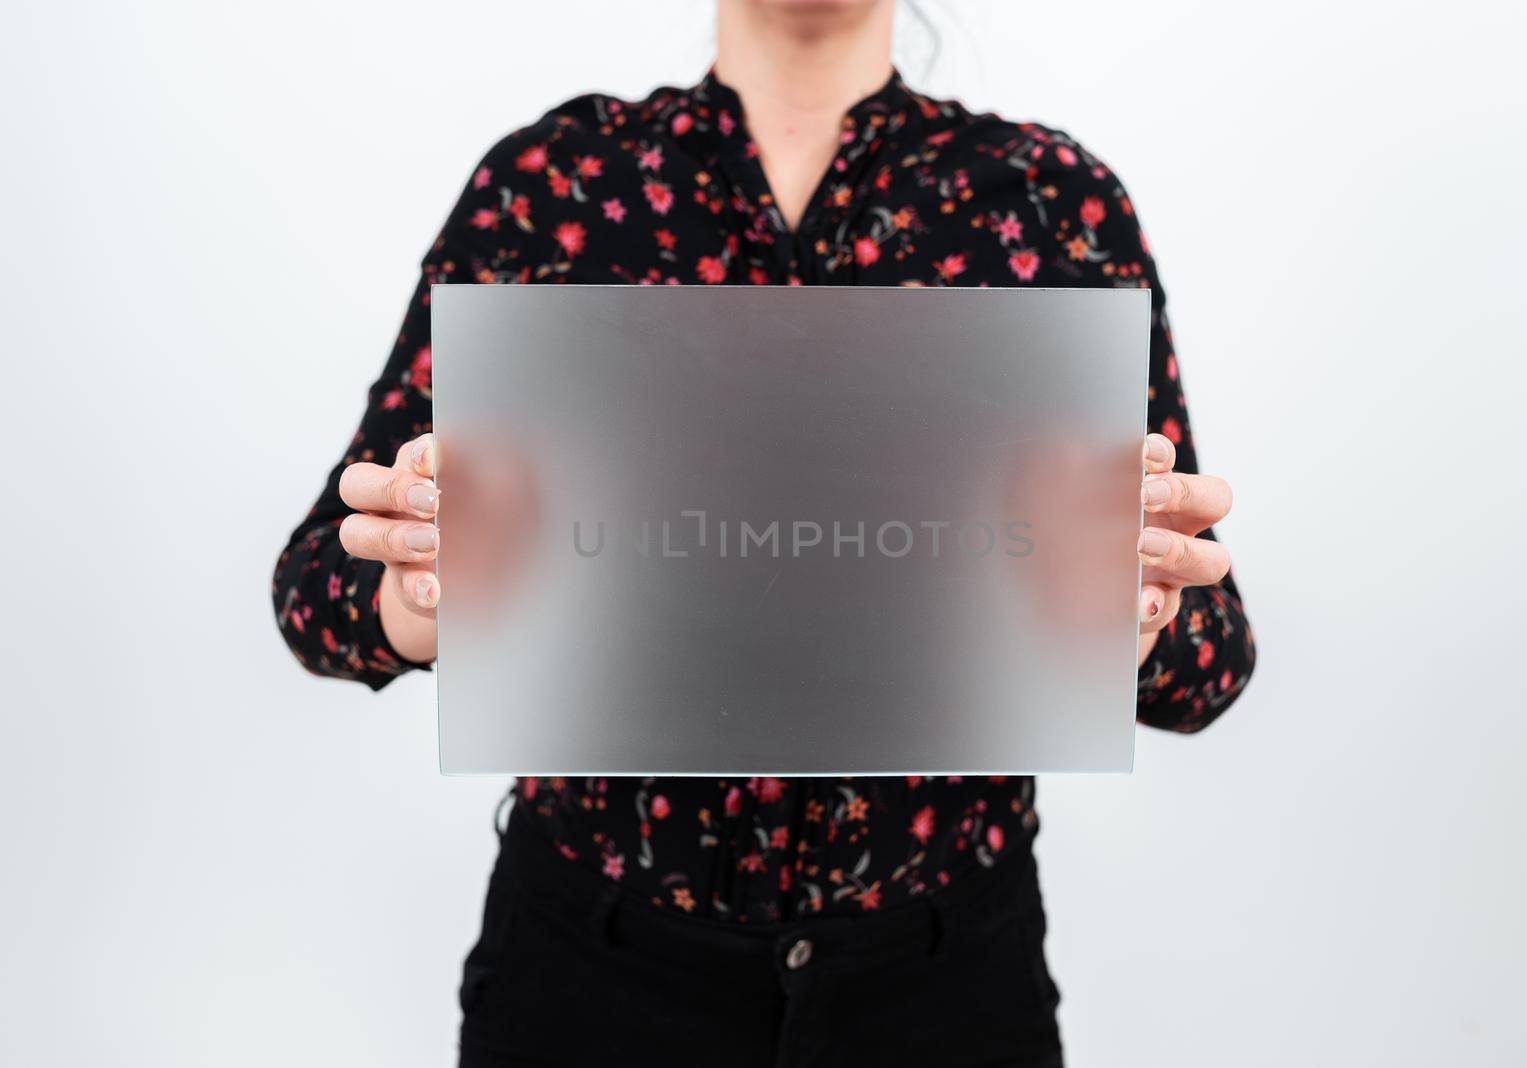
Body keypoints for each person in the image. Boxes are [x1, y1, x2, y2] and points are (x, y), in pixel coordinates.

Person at [271, 1, 1256, 1063]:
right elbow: (316, 596)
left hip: (940, 982)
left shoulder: (1051, 201)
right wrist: (418, 590)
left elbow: (1207, 667)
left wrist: (1140, 612)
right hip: (589, 974)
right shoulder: (553, 182)